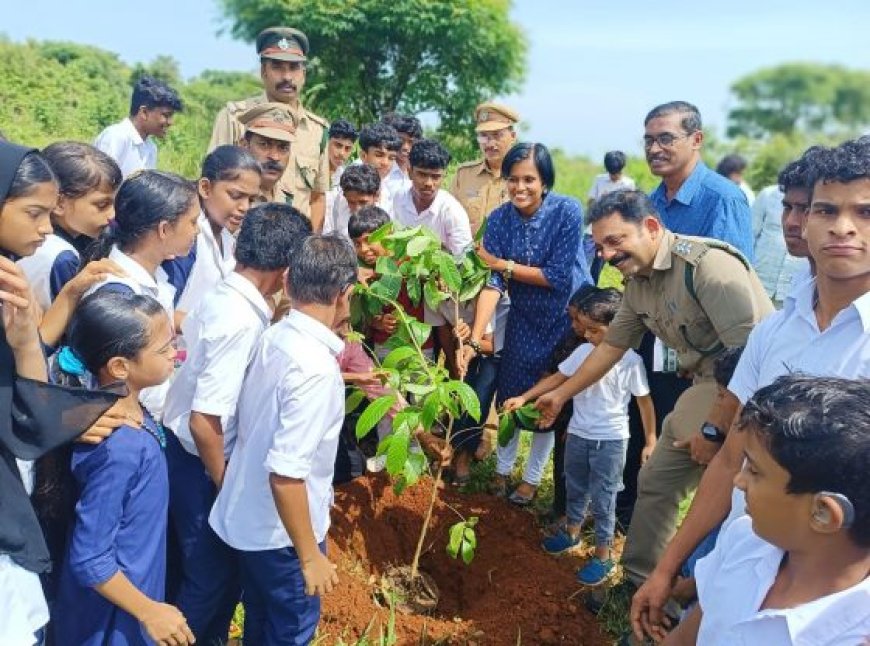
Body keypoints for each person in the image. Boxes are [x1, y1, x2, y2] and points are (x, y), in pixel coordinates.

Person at [630, 137, 870, 641]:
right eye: (826, 209)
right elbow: (728, 460)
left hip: (827, 604)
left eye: (866, 211)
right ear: (805, 221)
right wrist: (667, 567)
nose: (844, 227)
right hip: (746, 558)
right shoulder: (775, 331)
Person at [533, 190, 772, 606]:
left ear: (651, 227)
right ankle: (640, 583)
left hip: (759, 395)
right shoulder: (637, 284)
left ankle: (696, 604)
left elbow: (751, 358)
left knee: (739, 505)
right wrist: (560, 395)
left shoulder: (708, 268)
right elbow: (609, 349)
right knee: (656, 480)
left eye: (616, 240)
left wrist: (715, 429)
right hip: (708, 384)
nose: (606, 254)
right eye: (600, 245)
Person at [162, 203, 311, 643]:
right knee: (210, 583)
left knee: (212, 581)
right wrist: (229, 487)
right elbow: (204, 421)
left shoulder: (233, 297)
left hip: (193, 462)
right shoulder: (240, 321)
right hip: (201, 468)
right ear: (286, 270)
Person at [0, 141, 122, 645]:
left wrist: (27, 333)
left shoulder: (10, 275)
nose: (46, 229)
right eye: (33, 213)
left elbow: (27, 385)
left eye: (49, 214)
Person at [210, 235, 357, 645]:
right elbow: (287, 475)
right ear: (345, 295)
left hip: (249, 521)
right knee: (288, 632)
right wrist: (310, 558)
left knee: (260, 623)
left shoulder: (275, 336)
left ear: (288, 282)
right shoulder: (315, 370)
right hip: (283, 539)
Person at [661, 375, 870, 645]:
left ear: (823, 513)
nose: (739, 481)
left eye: (755, 471)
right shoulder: (745, 540)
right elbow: (687, 636)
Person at [52, 291, 193, 646]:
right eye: (163, 349)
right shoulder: (121, 447)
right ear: (119, 366)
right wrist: (149, 611)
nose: (174, 353)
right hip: (111, 623)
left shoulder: (131, 415)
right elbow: (89, 557)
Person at [465, 142, 592, 504]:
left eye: (529, 180)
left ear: (545, 182)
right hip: (522, 316)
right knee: (511, 394)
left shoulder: (567, 210)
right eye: (513, 180)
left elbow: (556, 276)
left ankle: (532, 478)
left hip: (563, 316)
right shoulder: (501, 219)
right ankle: (504, 470)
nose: (520, 188)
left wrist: (500, 265)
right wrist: (475, 337)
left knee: (545, 400)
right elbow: (492, 283)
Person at [508, 289, 655, 585]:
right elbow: (557, 378)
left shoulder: (630, 361)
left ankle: (603, 554)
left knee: (604, 496)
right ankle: (571, 533)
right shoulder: (584, 352)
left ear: (617, 327)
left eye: (594, 330)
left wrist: (651, 440)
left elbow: (644, 402)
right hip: (577, 432)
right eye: (584, 328)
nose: (587, 335)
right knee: (574, 485)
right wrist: (524, 397)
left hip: (611, 440)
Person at [83, 170, 200, 419]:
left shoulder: (155, 277)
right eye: (192, 222)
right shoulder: (118, 293)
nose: (197, 231)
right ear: (165, 229)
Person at [208, 27, 330, 228]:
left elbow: (317, 197)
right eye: (278, 67)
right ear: (264, 71)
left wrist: (309, 248)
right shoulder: (235, 118)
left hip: (294, 248)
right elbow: (212, 184)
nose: (287, 77)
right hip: (241, 244)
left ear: (304, 74)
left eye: (294, 68)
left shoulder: (318, 131)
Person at [161, 145, 261, 324]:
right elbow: (161, 312)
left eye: (251, 199)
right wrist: (209, 325)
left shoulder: (228, 239)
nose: (245, 207)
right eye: (236, 195)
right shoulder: (187, 240)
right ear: (206, 188)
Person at [17, 141, 122, 311]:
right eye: (102, 205)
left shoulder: (27, 236)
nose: (112, 215)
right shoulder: (63, 258)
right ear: (59, 204)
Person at [644, 101, 753, 258]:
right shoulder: (652, 201)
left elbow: (730, 278)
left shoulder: (724, 199)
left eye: (666, 139)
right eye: (649, 141)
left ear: (696, 140)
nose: (654, 149)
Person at [751, 152, 818, 307]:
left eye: (804, 209)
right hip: (760, 282)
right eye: (787, 207)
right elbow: (750, 236)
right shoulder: (768, 195)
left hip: (791, 290)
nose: (790, 222)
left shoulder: (816, 288)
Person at [392, 139, 473, 256]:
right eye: (422, 174)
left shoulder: (452, 211)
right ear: (410, 172)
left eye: (435, 177)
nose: (429, 183)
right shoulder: (399, 198)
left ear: (443, 177)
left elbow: (465, 257)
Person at [450, 102, 519, 235]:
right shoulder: (463, 175)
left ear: (513, 137)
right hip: (466, 253)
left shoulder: (525, 177)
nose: (490, 143)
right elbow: (448, 219)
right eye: (484, 136)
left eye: (497, 135)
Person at [94, 76, 183, 178]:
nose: (170, 122)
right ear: (144, 112)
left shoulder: (151, 148)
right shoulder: (116, 136)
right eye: (166, 115)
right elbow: (100, 183)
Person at [237, 102, 297, 205]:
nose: (274, 157)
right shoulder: (231, 197)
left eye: (283, 147)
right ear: (244, 146)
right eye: (264, 144)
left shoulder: (287, 199)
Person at [324, 163, 381, 240]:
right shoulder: (336, 208)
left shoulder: (386, 215)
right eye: (351, 202)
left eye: (363, 202)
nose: (357, 208)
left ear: (376, 196)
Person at [356, 121, 403, 214]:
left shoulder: (390, 195)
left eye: (391, 158)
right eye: (379, 155)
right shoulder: (348, 191)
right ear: (363, 156)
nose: (385, 163)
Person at [381, 112, 422, 197]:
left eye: (411, 142)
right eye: (401, 141)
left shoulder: (418, 170)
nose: (406, 147)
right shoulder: (382, 168)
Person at [325, 118, 359, 221]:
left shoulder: (349, 179)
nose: (342, 153)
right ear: (327, 142)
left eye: (347, 148)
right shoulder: (310, 173)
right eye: (338, 145)